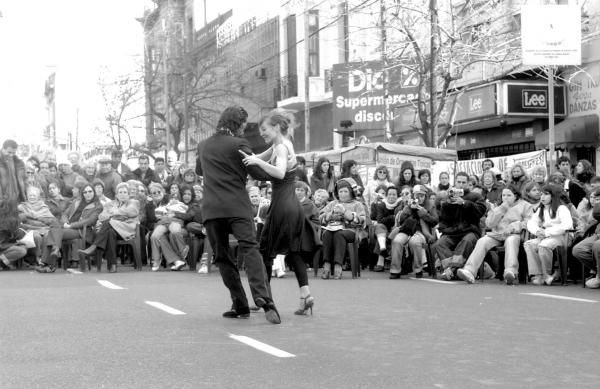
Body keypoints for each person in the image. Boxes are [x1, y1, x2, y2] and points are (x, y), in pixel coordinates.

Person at [196, 105, 280, 324]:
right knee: (250, 249)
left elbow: (199, 171)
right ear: (239, 123)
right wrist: (276, 161)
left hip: (212, 209)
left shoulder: (203, 145)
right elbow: (258, 172)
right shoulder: (239, 144)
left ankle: (240, 304)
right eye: (244, 124)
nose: (245, 128)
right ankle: (263, 298)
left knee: (223, 257)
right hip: (237, 207)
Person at [241, 112, 317, 316]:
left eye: (264, 130)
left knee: (265, 253)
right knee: (295, 252)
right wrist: (250, 159)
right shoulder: (282, 144)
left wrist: (258, 164)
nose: (262, 134)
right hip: (293, 206)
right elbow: (256, 157)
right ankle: (305, 295)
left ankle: (262, 300)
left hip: (282, 206)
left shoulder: (281, 147)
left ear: (276, 127)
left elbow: (280, 172)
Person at [457, 185, 532, 285]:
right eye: (504, 195)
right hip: (497, 234)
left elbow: (528, 222)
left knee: (511, 241)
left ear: (516, 196)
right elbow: (489, 224)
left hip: (513, 234)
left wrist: (514, 226)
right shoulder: (497, 206)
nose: (505, 198)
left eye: (509, 195)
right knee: (482, 241)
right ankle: (469, 271)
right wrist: (500, 210)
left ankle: (510, 271)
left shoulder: (525, 205)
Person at [433, 171, 487, 280]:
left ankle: (451, 270)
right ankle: (451, 270)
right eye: (458, 182)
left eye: (463, 182)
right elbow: (443, 218)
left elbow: (480, 211)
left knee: (467, 240)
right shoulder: (449, 195)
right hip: (452, 232)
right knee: (439, 243)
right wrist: (447, 202)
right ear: (455, 182)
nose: (461, 184)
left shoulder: (475, 196)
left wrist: (464, 203)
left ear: (468, 183)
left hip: (470, 231)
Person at [37, 184, 103, 273]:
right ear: (82, 193)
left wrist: (71, 226)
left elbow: (90, 221)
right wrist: (65, 223)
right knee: (54, 226)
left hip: (82, 231)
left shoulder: (98, 206)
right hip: (67, 227)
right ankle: (54, 251)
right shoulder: (77, 202)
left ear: (94, 192)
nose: (88, 194)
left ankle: (47, 263)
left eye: (90, 191)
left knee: (52, 232)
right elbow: (65, 214)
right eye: (85, 192)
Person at [79, 182, 139, 273]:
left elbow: (132, 211)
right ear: (116, 195)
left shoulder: (133, 202)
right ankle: (113, 265)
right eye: (120, 192)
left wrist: (114, 213)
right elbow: (101, 217)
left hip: (126, 230)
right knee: (110, 232)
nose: (122, 194)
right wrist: (115, 215)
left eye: (125, 192)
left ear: (128, 194)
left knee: (109, 223)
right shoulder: (110, 204)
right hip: (113, 230)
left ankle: (94, 246)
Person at [524, 184, 573, 285]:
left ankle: (546, 274)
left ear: (553, 196)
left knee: (544, 245)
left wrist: (547, 232)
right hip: (546, 237)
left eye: (546, 194)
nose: (542, 197)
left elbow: (567, 225)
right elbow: (531, 223)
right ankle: (538, 275)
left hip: (562, 237)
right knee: (529, 244)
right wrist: (537, 231)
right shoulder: (541, 209)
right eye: (541, 194)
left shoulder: (562, 208)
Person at [318, 178, 366, 279]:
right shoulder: (332, 204)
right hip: (332, 229)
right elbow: (321, 217)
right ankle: (326, 265)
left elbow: (362, 221)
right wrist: (331, 214)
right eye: (340, 191)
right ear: (337, 192)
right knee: (326, 233)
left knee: (339, 234)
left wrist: (345, 213)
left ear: (351, 192)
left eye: (345, 191)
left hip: (351, 231)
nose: (343, 194)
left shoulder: (357, 204)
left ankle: (338, 266)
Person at [389, 185, 438, 279]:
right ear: (413, 196)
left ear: (425, 196)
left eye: (422, 196)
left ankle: (418, 269)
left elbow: (435, 221)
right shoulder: (408, 204)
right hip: (407, 230)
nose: (419, 198)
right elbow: (400, 220)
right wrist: (407, 209)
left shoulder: (430, 206)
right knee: (397, 241)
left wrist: (423, 212)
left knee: (415, 242)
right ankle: (395, 270)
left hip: (422, 232)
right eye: (417, 196)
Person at [372, 186, 402, 272]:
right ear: (386, 195)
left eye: (394, 194)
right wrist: (392, 217)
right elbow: (380, 220)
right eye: (389, 194)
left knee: (382, 236)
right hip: (383, 229)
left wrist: (390, 219)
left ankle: (380, 262)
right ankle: (383, 249)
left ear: (397, 196)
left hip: (395, 229)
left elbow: (400, 219)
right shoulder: (382, 205)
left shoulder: (400, 204)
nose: (391, 196)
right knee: (380, 227)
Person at [0, 199, 28, 270]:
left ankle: (3, 263)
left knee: (22, 247)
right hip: (2, 246)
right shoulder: (9, 221)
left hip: (4, 244)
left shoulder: (7, 219)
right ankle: (2, 263)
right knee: (22, 250)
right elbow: (17, 233)